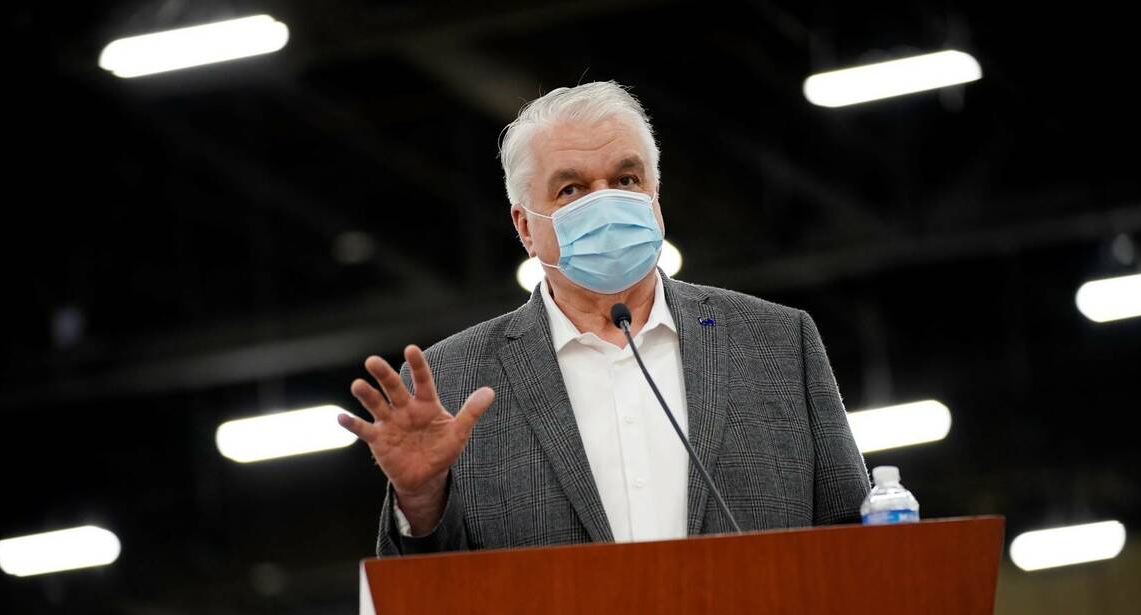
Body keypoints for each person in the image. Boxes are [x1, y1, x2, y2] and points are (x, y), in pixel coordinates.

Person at [336, 81, 869, 557]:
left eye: (626, 178)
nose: (606, 202)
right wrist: (422, 500)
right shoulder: (452, 380)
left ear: (656, 196)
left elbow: (856, 538)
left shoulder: (776, 342)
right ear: (525, 226)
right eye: (571, 189)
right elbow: (430, 607)